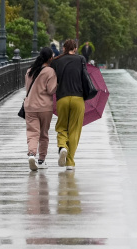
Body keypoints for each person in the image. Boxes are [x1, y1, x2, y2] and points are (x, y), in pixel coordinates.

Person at [51, 39, 86, 170]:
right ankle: (70, 162)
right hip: (78, 98)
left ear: (63, 48)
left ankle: (62, 147)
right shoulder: (81, 59)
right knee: (74, 130)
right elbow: (84, 77)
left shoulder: (56, 62)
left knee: (61, 126)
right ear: (75, 49)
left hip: (62, 98)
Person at [24, 47, 57, 171]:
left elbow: (27, 88)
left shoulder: (29, 71)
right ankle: (41, 160)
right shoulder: (50, 71)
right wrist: (57, 85)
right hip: (45, 107)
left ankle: (32, 154)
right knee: (43, 134)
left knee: (32, 133)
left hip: (30, 106)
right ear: (50, 58)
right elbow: (51, 90)